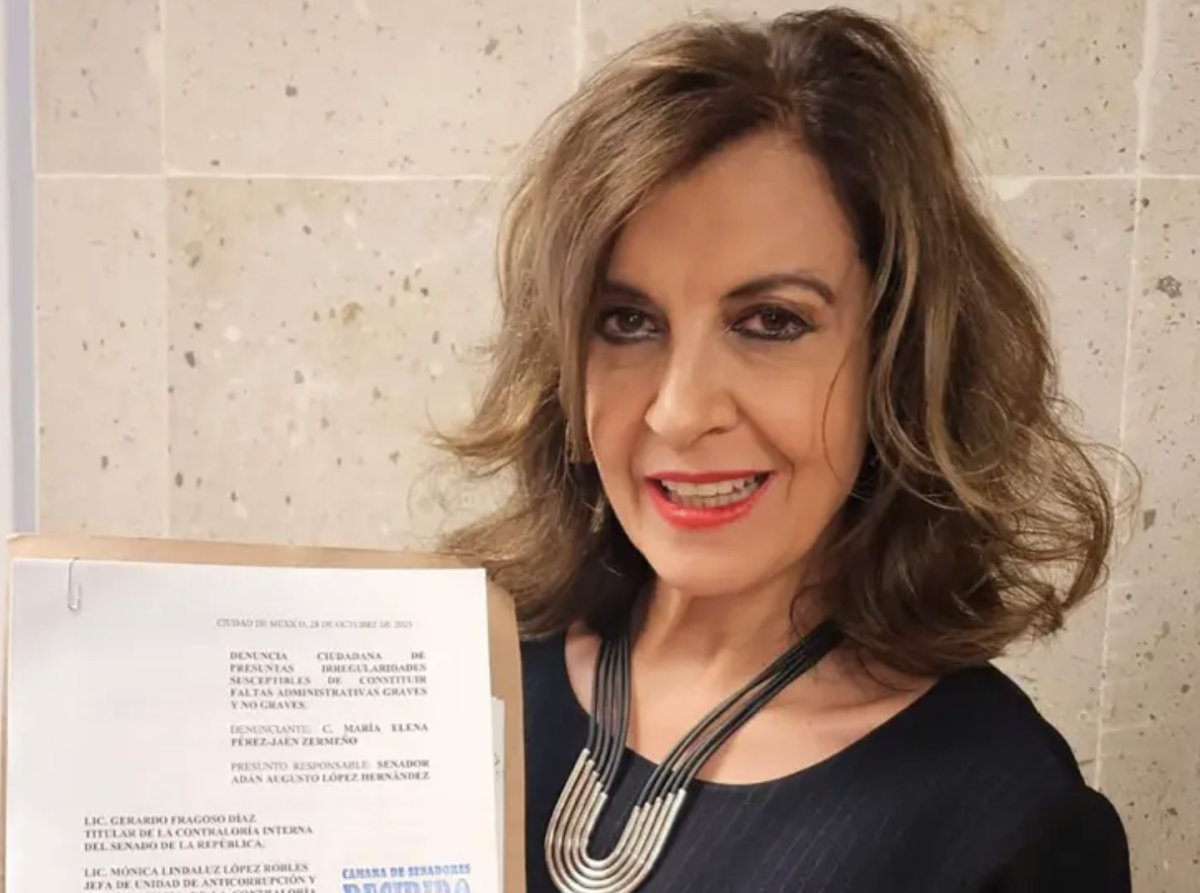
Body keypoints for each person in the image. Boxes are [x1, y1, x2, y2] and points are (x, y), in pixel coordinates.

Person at [437, 7, 1135, 893]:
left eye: (771, 321)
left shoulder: (1004, 821)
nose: (680, 413)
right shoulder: (451, 692)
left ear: (898, 357)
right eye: (627, 321)